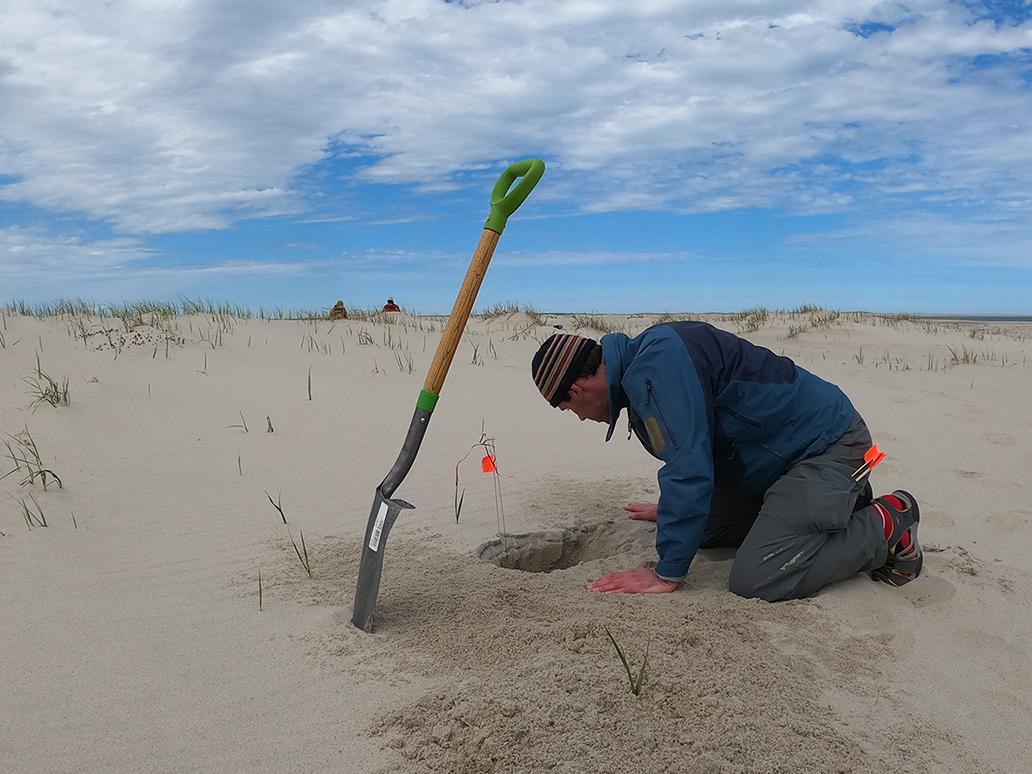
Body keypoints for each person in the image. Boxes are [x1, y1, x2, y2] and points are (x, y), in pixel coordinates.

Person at [530, 324, 922, 600]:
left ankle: (887, 522)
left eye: (569, 408)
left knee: (759, 577)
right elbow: (699, 453)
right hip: (777, 462)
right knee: (695, 528)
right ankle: (837, 504)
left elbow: (689, 465)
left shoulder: (655, 370)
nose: (580, 417)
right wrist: (672, 510)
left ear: (577, 389)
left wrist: (665, 574)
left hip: (828, 446)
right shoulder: (648, 361)